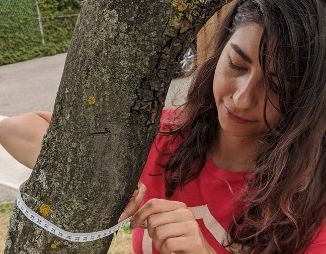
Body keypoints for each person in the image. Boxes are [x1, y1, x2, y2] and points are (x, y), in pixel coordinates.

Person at [0, 0, 325, 253]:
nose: (241, 98)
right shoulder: (170, 136)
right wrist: (103, 183)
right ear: (220, 49)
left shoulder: (311, 203)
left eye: (276, 86)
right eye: (237, 64)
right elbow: (20, 130)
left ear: (308, 98)